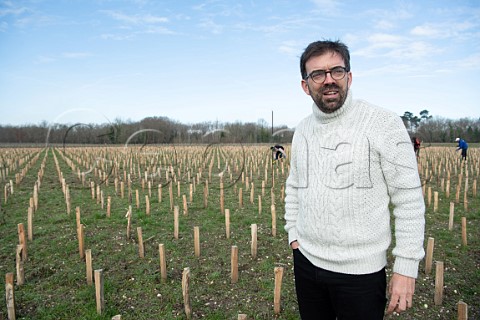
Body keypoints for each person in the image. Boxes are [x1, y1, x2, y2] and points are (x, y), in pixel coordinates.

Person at [284, 40, 425, 319]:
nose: (328, 80)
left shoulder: (383, 123)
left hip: (361, 274)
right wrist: (293, 235)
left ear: (349, 76)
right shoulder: (302, 131)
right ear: (305, 85)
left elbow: (408, 199)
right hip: (307, 262)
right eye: (317, 74)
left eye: (336, 71)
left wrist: (406, 267)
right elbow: (294, 184)